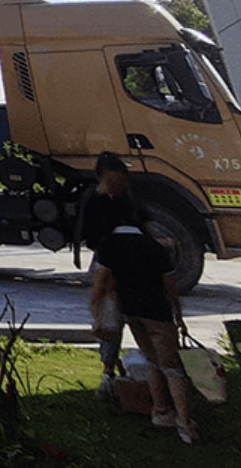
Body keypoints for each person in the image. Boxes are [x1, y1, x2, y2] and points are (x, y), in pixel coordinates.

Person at [91, 205, 199, 444]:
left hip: (130, 312)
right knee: (172, 367)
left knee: (152, 360)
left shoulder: (109, 245)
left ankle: (160, 411)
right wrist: (178, 315)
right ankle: (185, 423)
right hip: (158, 313)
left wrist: (96, 310)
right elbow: (170, 285)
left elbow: (102, 283)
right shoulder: (155, 248)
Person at [81, 152, 133, 391]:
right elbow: (91, 235)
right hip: (107, 260)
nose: (120, 182)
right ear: (103, 176)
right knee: (110, 316)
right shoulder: (95, 199)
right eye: (114, 177)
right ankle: (108, 370)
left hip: (130, 259)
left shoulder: (126, 198)